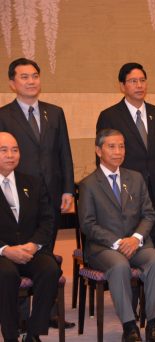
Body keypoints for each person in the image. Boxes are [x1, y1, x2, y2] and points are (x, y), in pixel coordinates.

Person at [0, 57, 75, 329]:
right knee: (17, 252)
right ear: (12, 83)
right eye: (24, 77)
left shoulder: (54, 113)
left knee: (45, 252)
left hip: (51, 195)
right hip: (17, 195)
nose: (31, 81)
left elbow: (64, 153)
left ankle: (50, 313)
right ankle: (19, 317)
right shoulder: (3, 115)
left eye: (35, 76)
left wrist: (68, 188)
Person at [78, 129, 155, 342]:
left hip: (136, 244)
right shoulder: (89, 184)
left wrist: (136, 238)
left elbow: (149, 214)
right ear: (98, 151)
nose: (118, 151)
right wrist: (117, 242)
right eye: (111, 146)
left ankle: (153, 324)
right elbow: (88, 224)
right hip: (103, 248)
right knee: (119, 266)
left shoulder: (135, 178)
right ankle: (129, 327)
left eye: (121, 146)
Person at [97, 62, 155, 251]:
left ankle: (150, 279)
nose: (139, 85)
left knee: (153, 239)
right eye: (133, 81)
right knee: (128, 242)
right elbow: (102, 158)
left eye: (142, 80)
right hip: (125, 190)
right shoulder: (110, 116)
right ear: (122, 86)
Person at [0, 132, 61, 342]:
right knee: (6, 275)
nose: (10, 155)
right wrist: (6, 250)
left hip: (30, 249)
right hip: (2, 254)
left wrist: (34, 245)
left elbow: (47, 220)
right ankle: (10, 335)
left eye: (15, 150)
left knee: (50, 269)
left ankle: (34, 332)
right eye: (4, 150)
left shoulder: (32, 182)